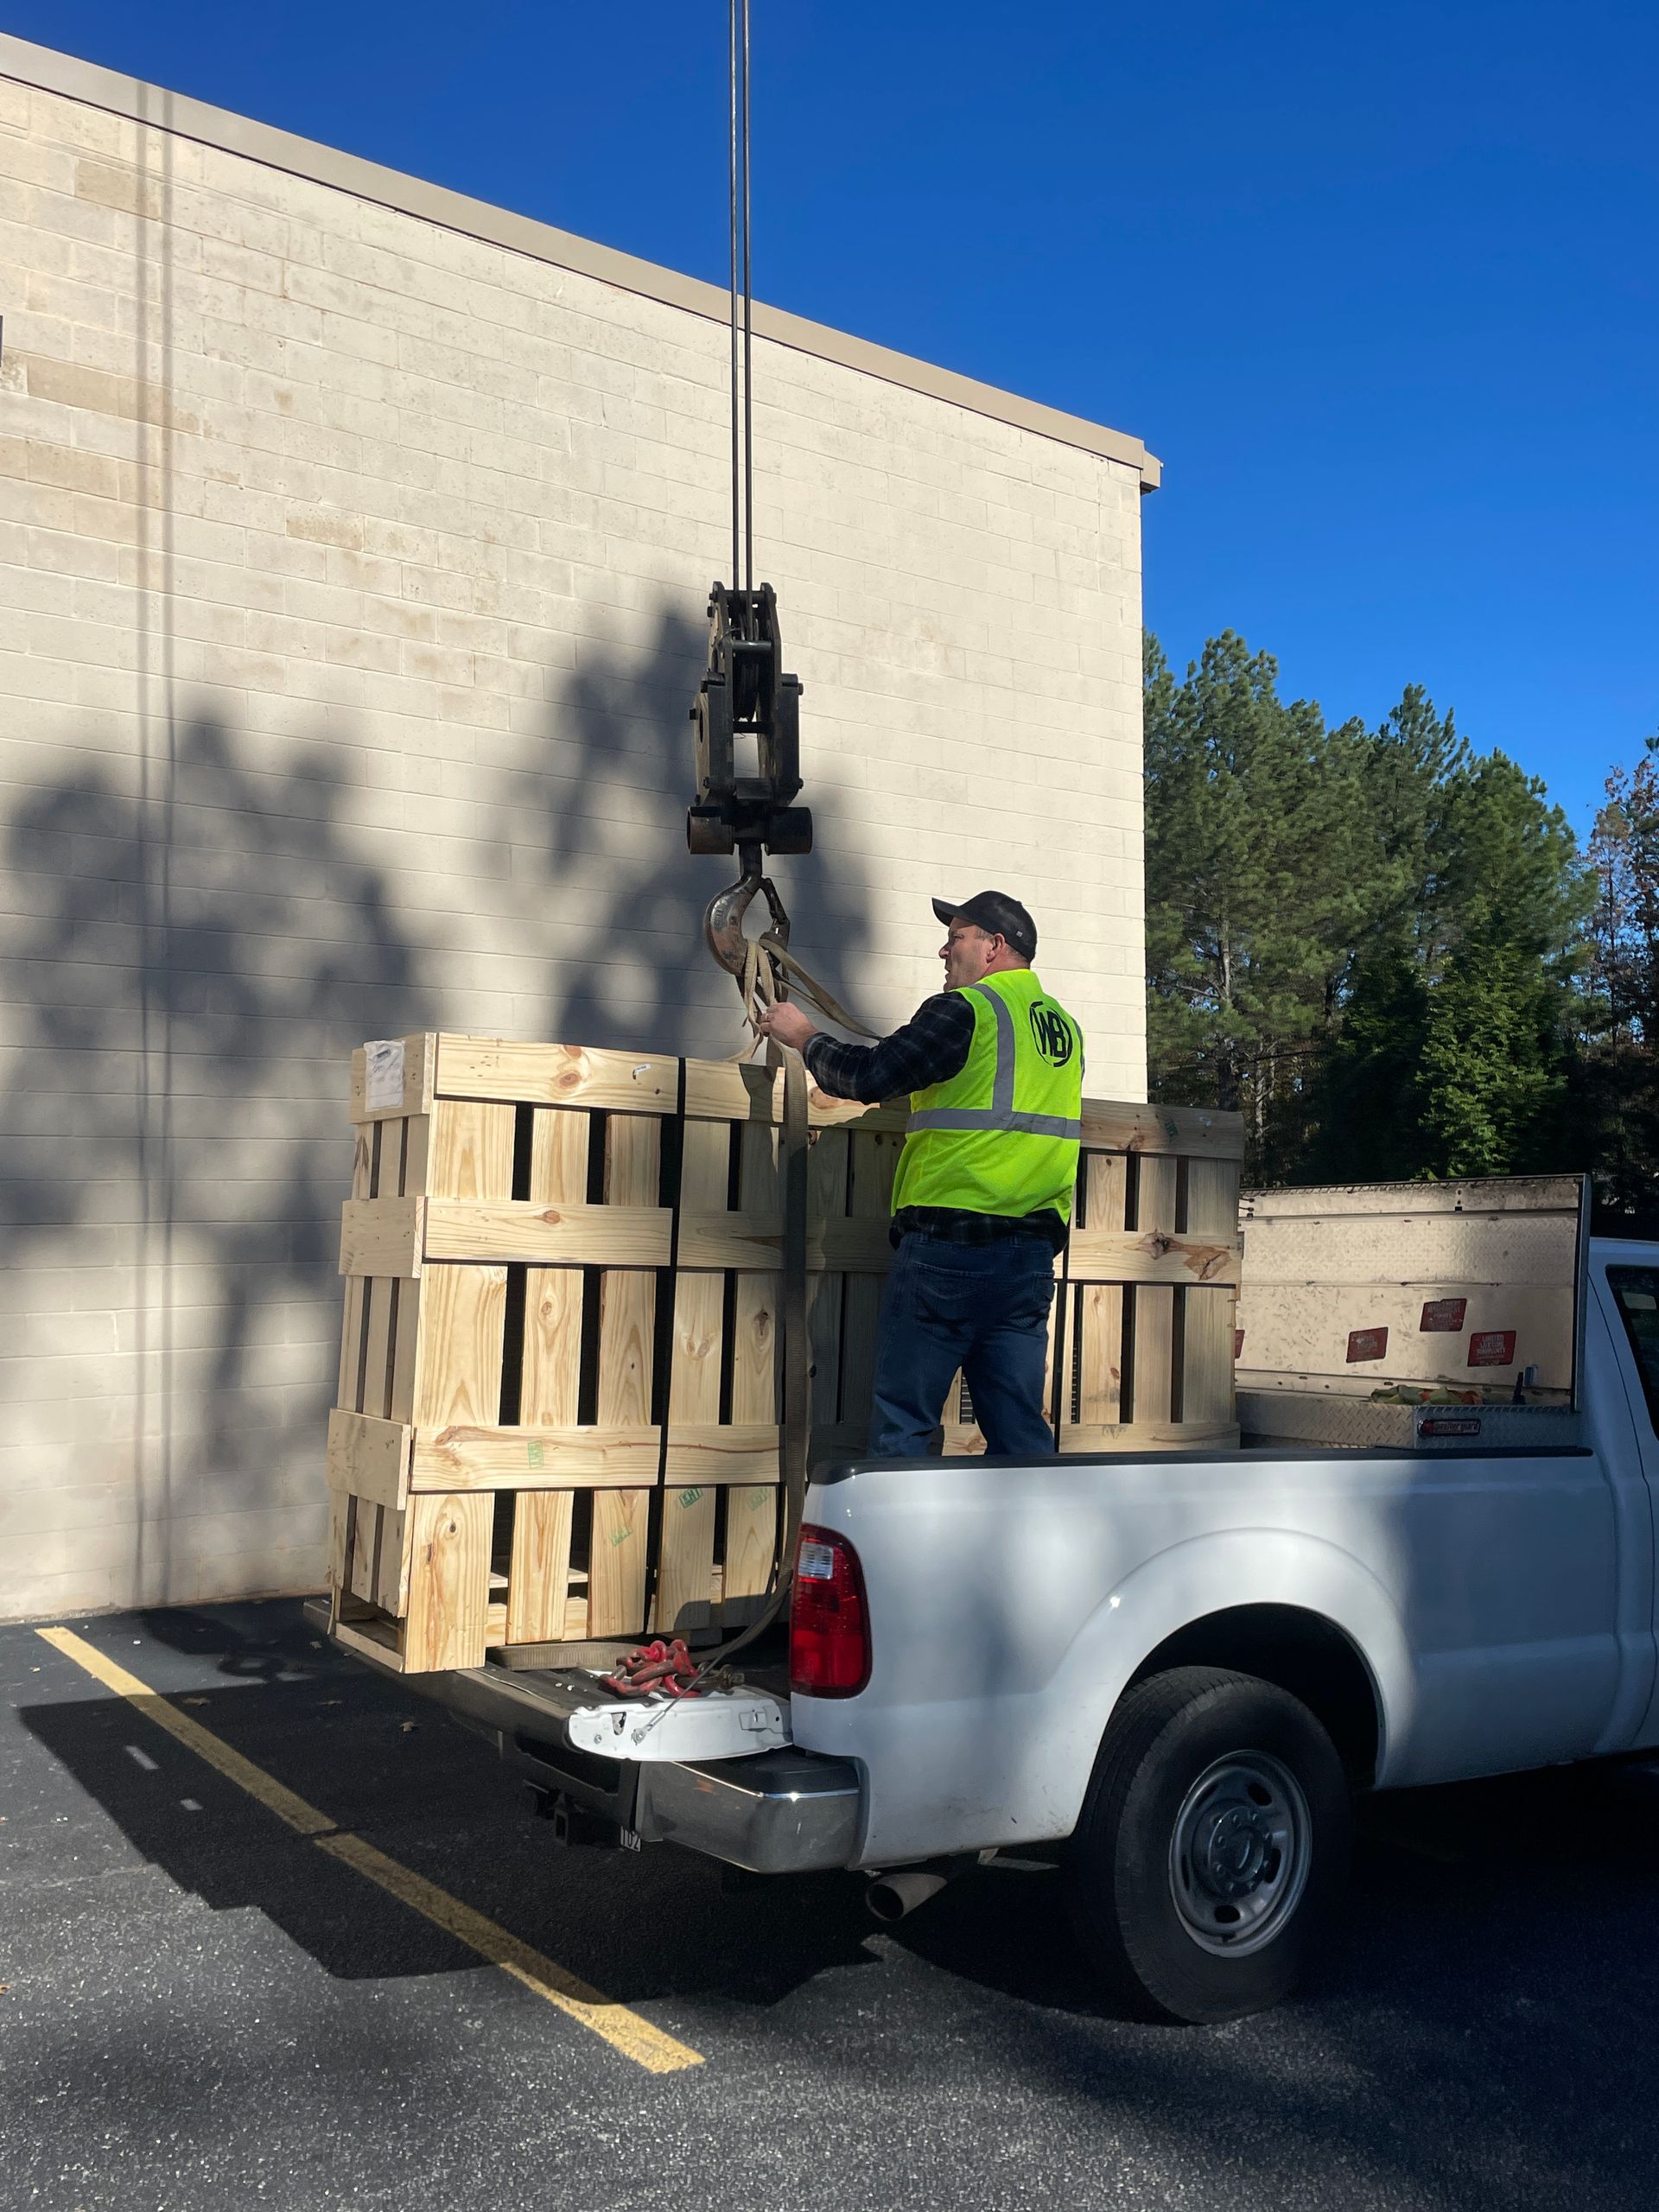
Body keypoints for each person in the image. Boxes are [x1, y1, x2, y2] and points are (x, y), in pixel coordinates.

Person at [757, 890, 1084, 1459]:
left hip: (948, 1252)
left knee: (904, 1425)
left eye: (956, 937)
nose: (943, 949)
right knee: (1019, 1429)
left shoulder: (967, 1011)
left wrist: (803, 1035)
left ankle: (900, 1550)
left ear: (994, 946)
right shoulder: (1063, 1029)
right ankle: (1028, 1545)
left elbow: (866, 1077)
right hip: (1027, 1259)